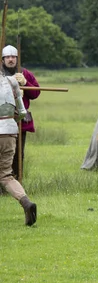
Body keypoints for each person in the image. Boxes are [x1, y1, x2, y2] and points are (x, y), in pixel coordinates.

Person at [0, 72, 36, 225]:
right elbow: (22, 112)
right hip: (9, 132)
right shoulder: (11, 81)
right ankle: (26, 202)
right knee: (6, 175)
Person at [1, 45, 40, 181]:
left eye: (13, 57)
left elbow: (35, 93)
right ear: (3, 59)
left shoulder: (25, 73)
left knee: (18, 154)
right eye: (8, 57)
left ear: (17, 58)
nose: (11, 59)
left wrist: (25, 83)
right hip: (1, 119)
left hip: (20, 120)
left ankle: (16, 182)